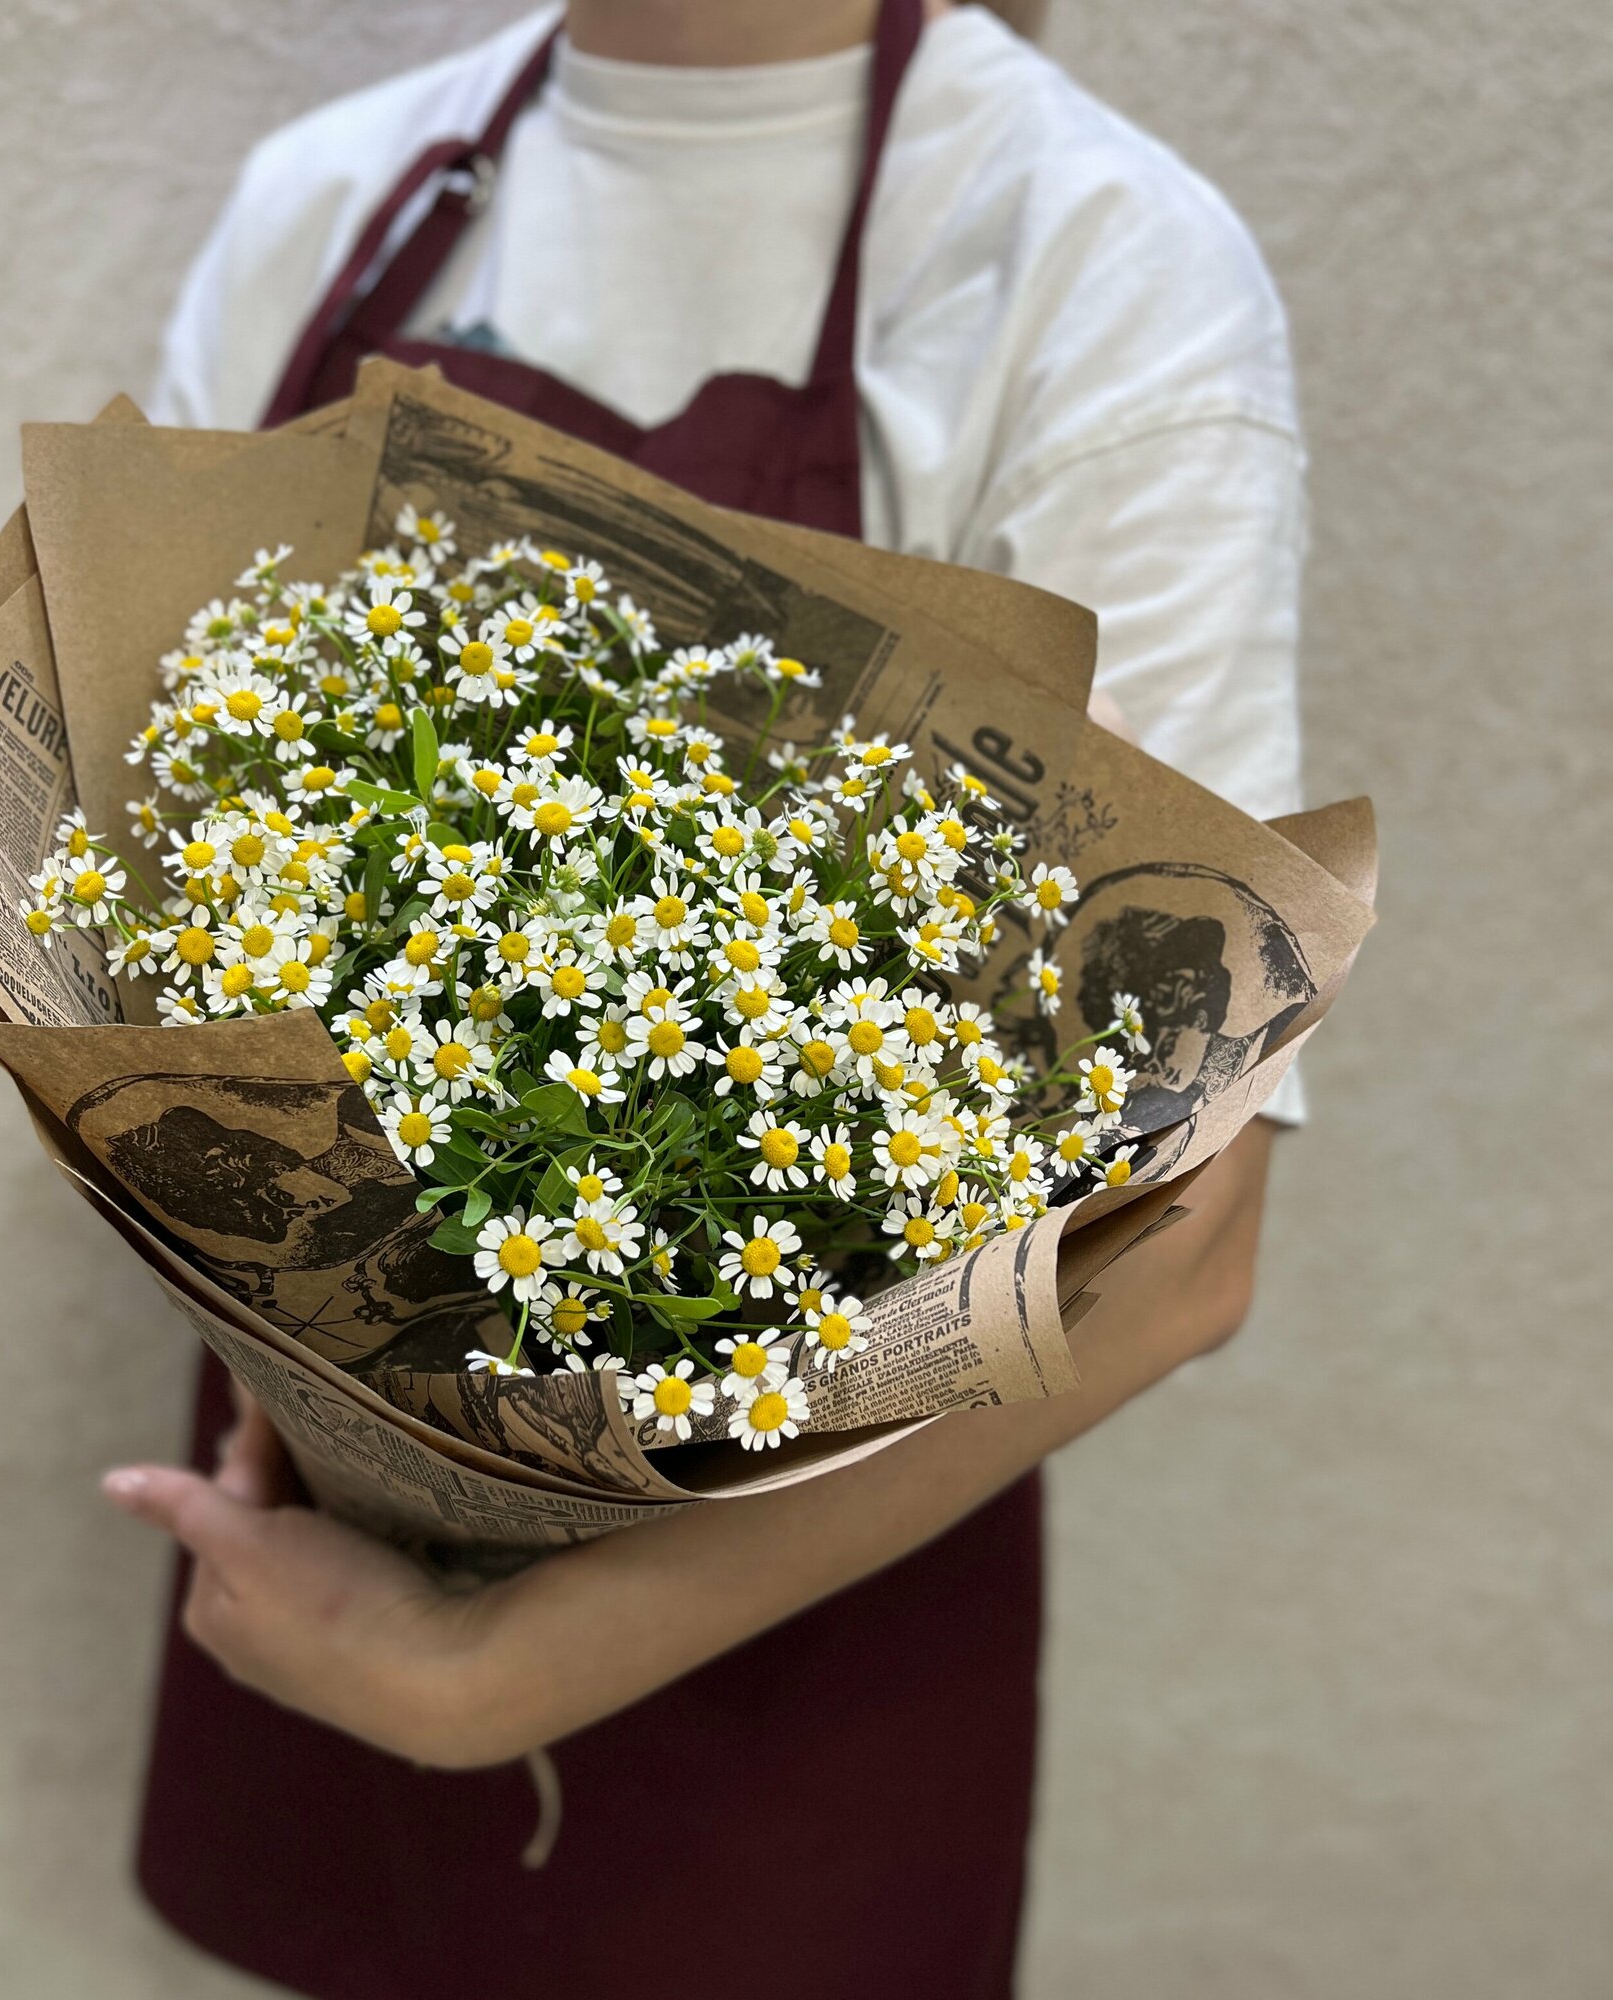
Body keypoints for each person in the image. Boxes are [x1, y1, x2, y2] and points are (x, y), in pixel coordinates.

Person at [99, 3, 1308, 1994]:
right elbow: (149, 869)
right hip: (302, 1548)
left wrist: (492, 1664)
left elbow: (1170, 1244)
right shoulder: (331, 201)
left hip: (799, 1643)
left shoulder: (1084, 263)